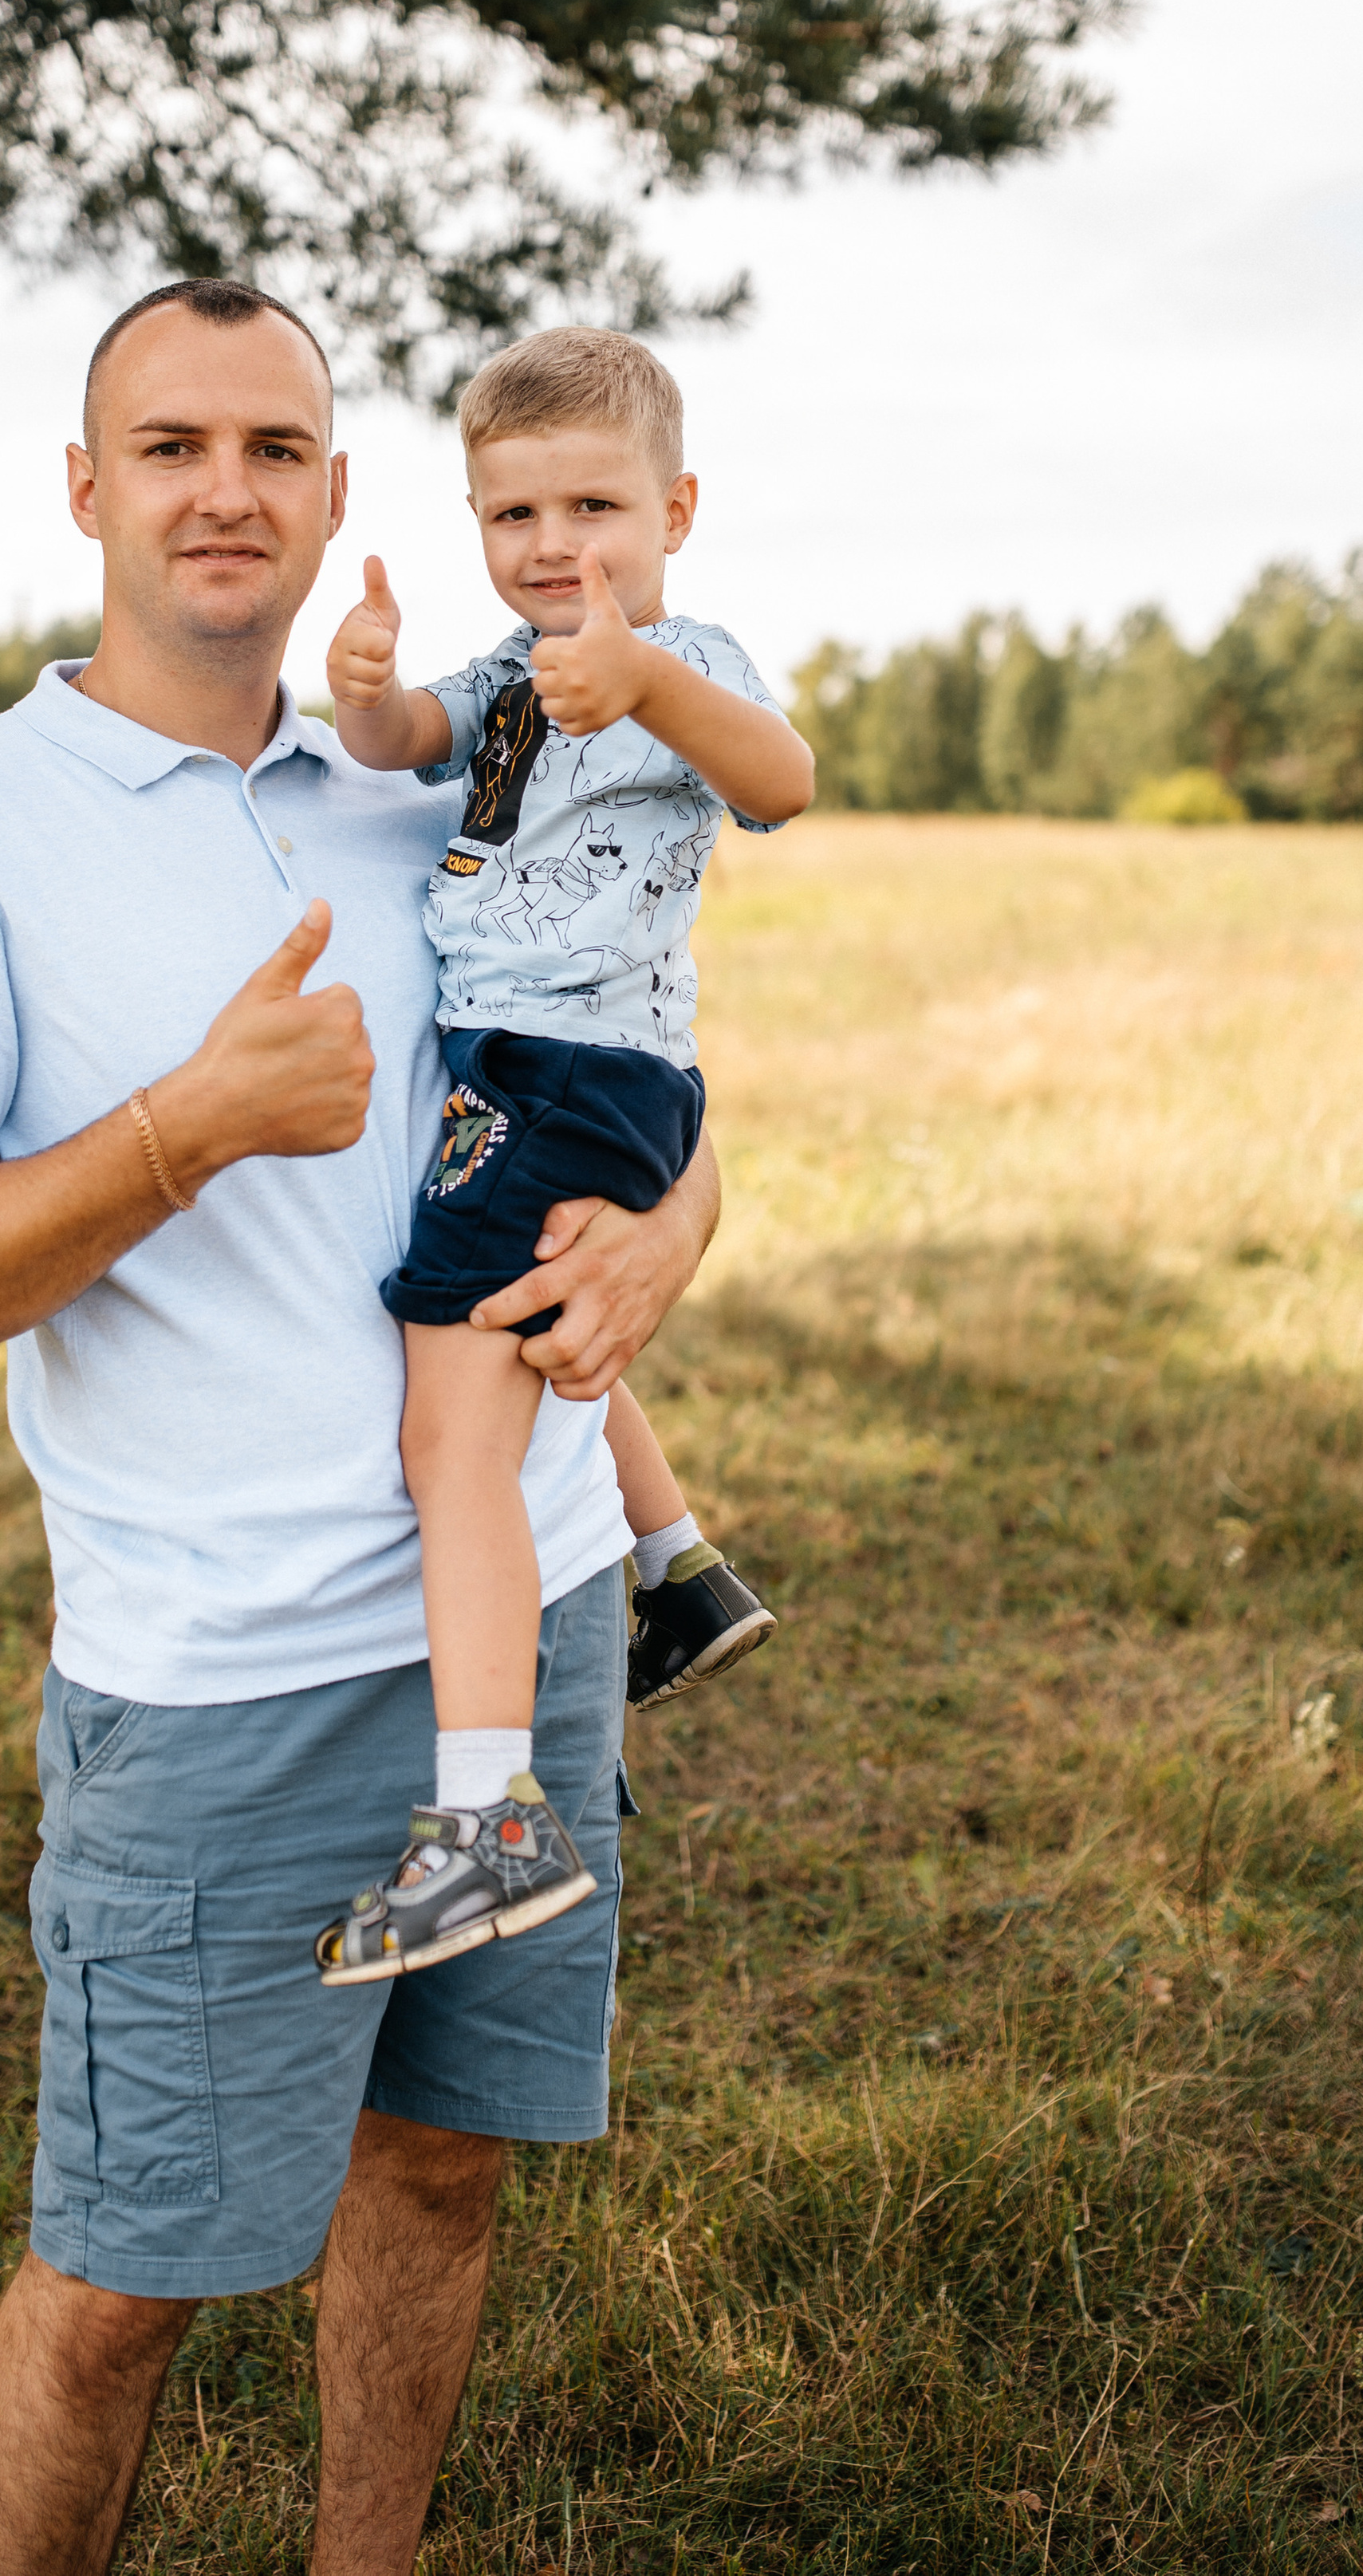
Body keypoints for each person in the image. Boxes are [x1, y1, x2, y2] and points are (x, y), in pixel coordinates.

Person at [0, 277, 721, 2576]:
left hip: (527, 1621)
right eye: (176, 444)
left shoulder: (442, 789)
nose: (229, 489)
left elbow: (641, 1078)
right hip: (219, 1680)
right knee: (126, 2279)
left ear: (332, 496)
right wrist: (182, 1129)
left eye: (278, 447)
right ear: (86, 487)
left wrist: (679, 1231)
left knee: (436, 2165)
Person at [311, 329, 814, 1985]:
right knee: (533, 1315)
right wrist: (372, 687)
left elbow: (783, 782)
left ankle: (485, 1821)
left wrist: (652, 683)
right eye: (510, 512)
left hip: (576, 1069)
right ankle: (677, 1570)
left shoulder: (682, 653)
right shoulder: (506, 673)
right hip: (531, 1074)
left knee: (447, 1434)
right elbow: (401, 751)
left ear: (671, 506)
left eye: (591, 504)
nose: (551, 545)